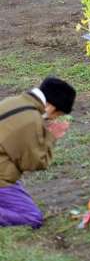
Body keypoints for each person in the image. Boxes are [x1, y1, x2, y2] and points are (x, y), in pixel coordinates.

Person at [0, 76, 76, 228]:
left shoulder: (13, 101)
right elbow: (35, 163)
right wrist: (51, 137)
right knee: (32, 217)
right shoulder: (31, 120)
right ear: (53, 108)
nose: (54, 119)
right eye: (58, 115)